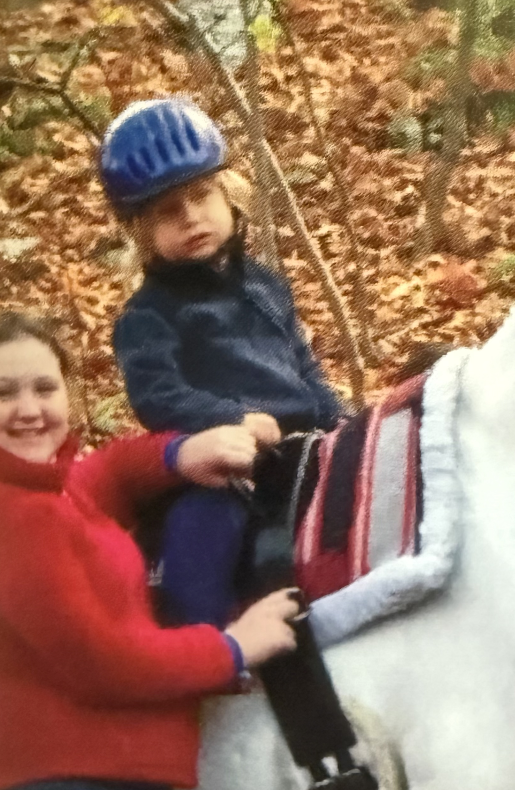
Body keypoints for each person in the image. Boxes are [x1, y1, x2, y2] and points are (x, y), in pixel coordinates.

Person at [0, 311, 300, 790]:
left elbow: (106, 472)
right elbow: (101, 659)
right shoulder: (2, 511)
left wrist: (177, 452)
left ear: (68, 394)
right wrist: (233, 646)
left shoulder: (48, 490)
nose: (29, 409)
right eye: (4, 392)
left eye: (44, 389)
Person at [100, 97, 343, 630]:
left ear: (228, 195)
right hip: (223, 461)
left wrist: (342, 420)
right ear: (142, 231)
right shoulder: (149, 316)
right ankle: (201, 642)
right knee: (206, 520)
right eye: (168, 210)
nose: (190, 217)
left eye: (201, 196)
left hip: (302, 447)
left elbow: (303, 368)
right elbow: (157, 397)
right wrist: (232, 418)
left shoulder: (265, 287)